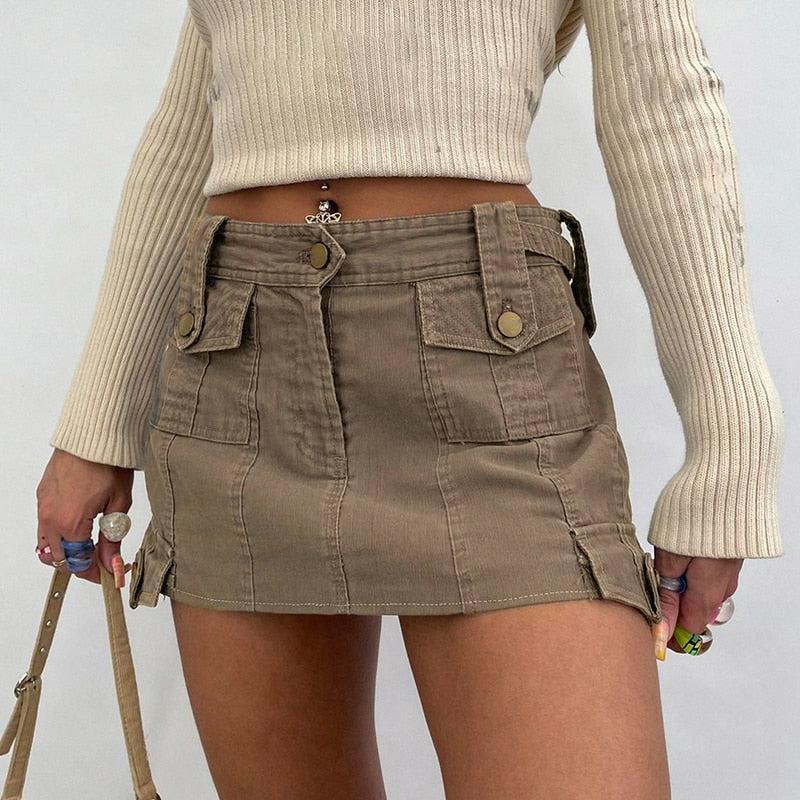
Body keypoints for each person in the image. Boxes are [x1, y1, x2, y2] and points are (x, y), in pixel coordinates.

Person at [34, 1, 784, 798]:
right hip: (236, 360)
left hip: (486, 358)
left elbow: (663, 105)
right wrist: (98, 427)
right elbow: (196, 122)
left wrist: (732, 446)